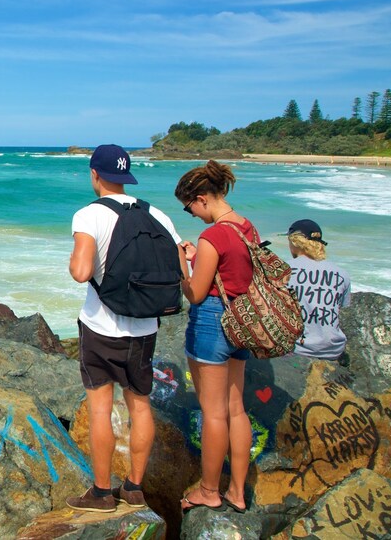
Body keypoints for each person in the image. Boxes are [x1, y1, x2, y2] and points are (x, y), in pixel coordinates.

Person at [66, 144, 187, 512]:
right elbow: (184, 270)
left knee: (101, 410)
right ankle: (134, 488)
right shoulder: (158, 215)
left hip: (101, 329)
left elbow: (81, 272)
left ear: (95, 175)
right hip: (145, 329)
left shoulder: (89, 215)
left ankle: (102, 493)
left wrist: (75, 259)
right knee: (140, 408)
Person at [174, 160, 253, 514]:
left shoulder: (213, 235)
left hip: (212, 324)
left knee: (214, 413)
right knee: (236, 409)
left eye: (189, 206)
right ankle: (237, 491)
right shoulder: (245, 227)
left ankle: (209, 490)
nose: (190, 213)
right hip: (243, 323)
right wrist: (199, 258)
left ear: (202, 198)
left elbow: (195, 292)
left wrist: (182, 262)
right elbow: (232, 272)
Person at [285, 219, 351, 360]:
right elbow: (341, 309)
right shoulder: (342, 274)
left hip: (299, 348)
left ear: (295, 242)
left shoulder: (284, 270)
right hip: (334, 349)